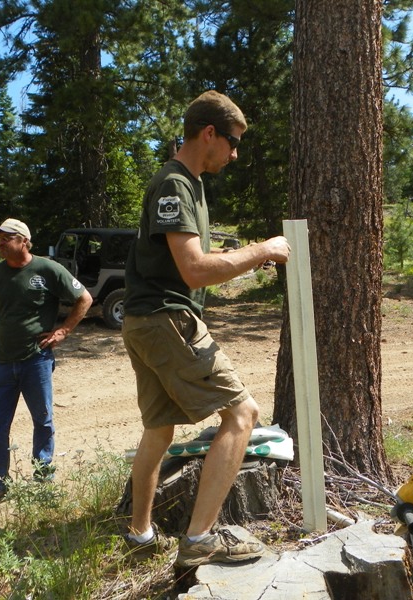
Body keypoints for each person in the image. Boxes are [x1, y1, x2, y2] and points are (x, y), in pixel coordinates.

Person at [121, 90, 291, 566]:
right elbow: (194, 270)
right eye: (232, 143)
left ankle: (140, 533)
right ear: (209, 133)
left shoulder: (187, 184)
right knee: (243, 415)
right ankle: (198, 540)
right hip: (166, 319)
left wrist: (240, 258)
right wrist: (263, 251)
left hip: (143, 320)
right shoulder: (175, 184)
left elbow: (187, 264)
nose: (235, 155)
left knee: (158, 428)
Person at [0, 218, 93, 504]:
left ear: (23, 241)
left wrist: (63, 330)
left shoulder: (47, 269)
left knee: (43, 421)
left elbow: (84, 298)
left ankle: (43, 482)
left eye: (6, 237)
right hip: (2, 364)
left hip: (37, 361)